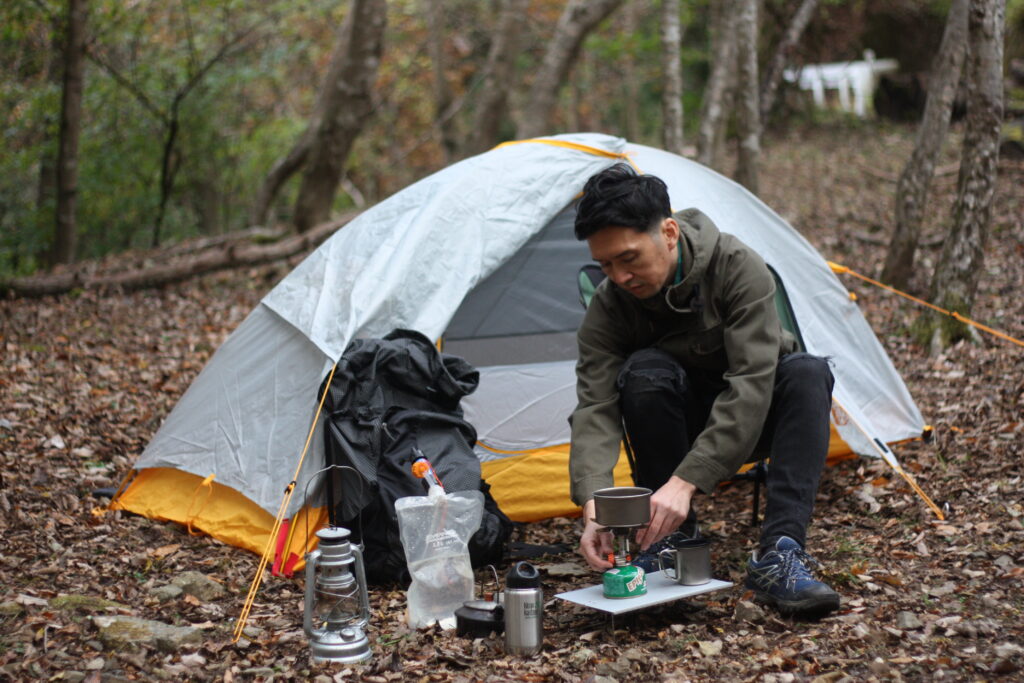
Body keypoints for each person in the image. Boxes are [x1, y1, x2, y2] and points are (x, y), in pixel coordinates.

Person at [569, 163, 840, 618]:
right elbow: (595, 403)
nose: (618, 277)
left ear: (669, 232)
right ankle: (670, 542)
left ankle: (781, 552)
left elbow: (752, 383)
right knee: (644, 371)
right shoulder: (610, 306)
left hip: (755, 420)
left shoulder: (738, 268)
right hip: (676, 425)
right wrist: (594, 500)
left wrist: (686, 481)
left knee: (808, 373)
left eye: (629, 258)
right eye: (605, 265)